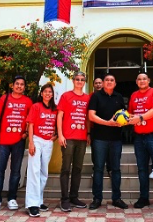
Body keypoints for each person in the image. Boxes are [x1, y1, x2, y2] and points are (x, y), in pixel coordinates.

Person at [0, 76, 33, 212]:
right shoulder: (4, 98)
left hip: (19, 141)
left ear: (24, 87)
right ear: (12, 85)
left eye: (22, 84)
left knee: (16, 171)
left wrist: (26, 132)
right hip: (3, 140)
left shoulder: (28, 101)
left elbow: (30, 120)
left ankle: (11, 198)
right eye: (17, 84)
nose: (19, 86)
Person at [87, 73, 129, 209]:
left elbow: (124, 116)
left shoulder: (119, 97)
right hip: (99, 139)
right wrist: (107, 123)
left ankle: (117, 198)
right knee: (98, 169)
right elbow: (91, 116)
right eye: (107, 80)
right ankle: (97, 199)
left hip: (116, 140)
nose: (109, 82)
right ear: (103, 83)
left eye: (112, 80)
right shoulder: (96, 96)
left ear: (115, 83)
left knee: (116, 169)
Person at [127, 72, 153, 212]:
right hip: (139, 137)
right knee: (142, 169)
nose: (142, 81)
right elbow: (130, 113)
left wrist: (139, 118)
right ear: (136, 81)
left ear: (149, 80)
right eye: (139, 79)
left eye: (144, 78)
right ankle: (144, 197)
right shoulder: (133, 95)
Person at [56, 71, 91, 211]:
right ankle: (64, 199)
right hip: (68, 138)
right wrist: (60, 135)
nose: (79, 81)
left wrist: (88, 133)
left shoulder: (88, 98)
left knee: (77, 169)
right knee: (66, 169)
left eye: (82, 79)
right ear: (73, 80)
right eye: (77, 79)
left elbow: (87, 118)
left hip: (82, 138)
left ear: (85, 82)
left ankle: (74, 197)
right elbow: (60, 116)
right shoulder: (66, 96)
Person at [25, 83, 58, 217]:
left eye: (50, 92)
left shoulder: (54, 109)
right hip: (37, 140)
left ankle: (39, 200)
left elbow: (58, 124)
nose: (48, 94)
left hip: (48, 142)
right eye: (45, 91)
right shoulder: (36, 106)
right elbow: (30, 125)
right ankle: (32, 204)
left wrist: (55, 136)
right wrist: (31, 143)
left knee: (44, 172)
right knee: (34, 170)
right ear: (41, 93)